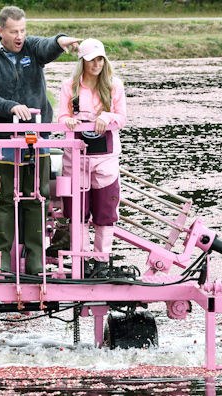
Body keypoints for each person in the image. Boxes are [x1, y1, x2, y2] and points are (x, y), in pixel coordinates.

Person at [0, 6, 81, 276]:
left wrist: (60, 40)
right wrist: (10, 106)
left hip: (37, 140)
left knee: (38, 198)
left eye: (22, 30)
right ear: (1, 31)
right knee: (4, 200)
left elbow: (47, 46)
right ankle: (2, 262)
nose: (19, 36)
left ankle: (35, 262)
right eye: (13, 31)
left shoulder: (31, 48)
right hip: (2, 141)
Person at [57, 38, 127, 278]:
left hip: (105, 158)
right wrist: (67, 120)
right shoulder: (70, 86)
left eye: (100, 59)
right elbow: (61, 117)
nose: (96, 64)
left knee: (105, 211)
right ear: (82, 62)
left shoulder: (114, 85)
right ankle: (81, 258)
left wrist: (106, 117)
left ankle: (101, 260)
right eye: (91, 60)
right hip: (76, 159)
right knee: (78, 211)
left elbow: (122, 117)